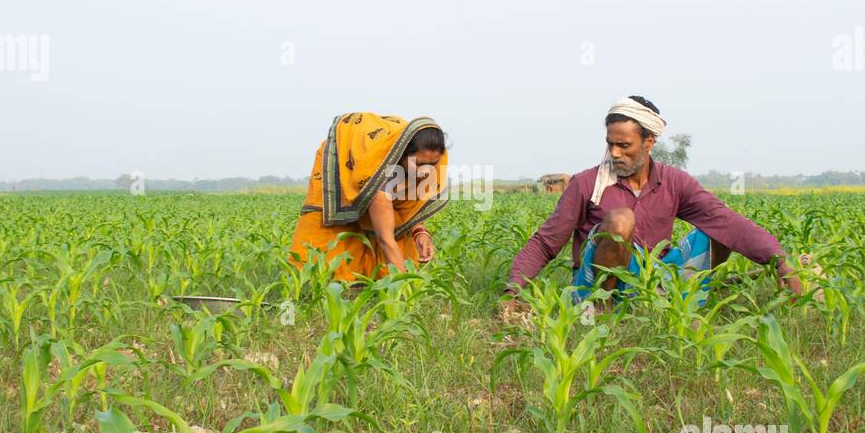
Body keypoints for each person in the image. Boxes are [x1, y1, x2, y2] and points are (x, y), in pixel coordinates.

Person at [503, 95, 804, 306]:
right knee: (621, 220)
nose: (615, 153)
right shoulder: (587, 183)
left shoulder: (674, 182)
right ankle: (602, 308)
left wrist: (778, 260)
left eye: (624, 145)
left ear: (649, 143)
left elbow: (726, 220)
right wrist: (513, 291)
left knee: (718, 231)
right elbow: (546, 242)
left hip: (654, 278)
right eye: (610, 144)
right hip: (596, 285)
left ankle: (672, 299)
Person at [290, 112, 448, 283]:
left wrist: (420, 232)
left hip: (385, 153)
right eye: (418, 163)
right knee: (335, 238)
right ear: (401, 154)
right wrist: (404, 287)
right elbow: (385, 239)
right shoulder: (377, 175)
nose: (426, 171)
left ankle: (376, 280)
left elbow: (407, 207)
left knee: (393, 237)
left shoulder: (421, 168)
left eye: (432, 164)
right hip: (345, 160)